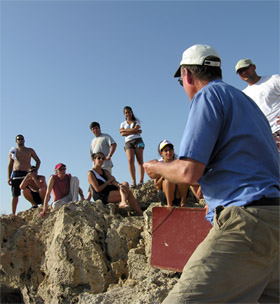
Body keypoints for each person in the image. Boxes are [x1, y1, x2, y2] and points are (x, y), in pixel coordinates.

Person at [144, 44, 279, 303]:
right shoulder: (248, 103)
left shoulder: (207, 97)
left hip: (245, 223)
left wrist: (155, 167)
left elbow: (189, 171)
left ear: (187, 76)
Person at [235, 58, 280, 152]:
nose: (244, 73)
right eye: (240, 72)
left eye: (245, 69)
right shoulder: (243, 95)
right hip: (264, 138)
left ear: (253, 67)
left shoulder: (273, 80)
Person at [154, 139, 202, 207]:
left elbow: (189, 178)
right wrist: (163, 175)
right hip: (165, 194)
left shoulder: (179, 162)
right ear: (161, 153)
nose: (169, 152)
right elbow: (157, 186)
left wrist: (201, 185)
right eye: (166, 150)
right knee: (168, 179)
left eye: (170, 150)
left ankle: (183, 203)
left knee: (182, 178)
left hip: (179, 194)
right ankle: (169, 205)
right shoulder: (159, 165)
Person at [7, 134, 41, 215]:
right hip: (16, 173)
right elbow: (10, 164)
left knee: (31, 190)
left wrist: (35, 171)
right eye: (18, 139)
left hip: (27, 173)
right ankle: (13, 214)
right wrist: (8, 177)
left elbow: (38, 161)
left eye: (22, 139)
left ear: (24, 140)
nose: (20, 140)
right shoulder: (13, 151)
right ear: (16, 141)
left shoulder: (29, 150)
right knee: (15, 195)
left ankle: (35, 204)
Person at [87, 121, 117, 200]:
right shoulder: (92, 141)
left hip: (105, 164)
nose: (95, 130)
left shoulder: (105, 136)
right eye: (93, 129)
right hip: (96, 166)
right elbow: (91, 153)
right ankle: (89, 197)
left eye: (96, 128)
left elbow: (114, 144)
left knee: (108, 181)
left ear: (99, 128)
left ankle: (109, 198)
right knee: (93, 182)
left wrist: (109, 155)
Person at [119, 106, 145, 188]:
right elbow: (122, 134)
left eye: (129, 112)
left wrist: (126, 131)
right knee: (130, 160)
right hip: (128, 142)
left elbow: (133, 130)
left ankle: (141, 181)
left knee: (140, 160)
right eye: (126, 112)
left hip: (138, 140)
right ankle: (133, 180)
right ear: (124, 114)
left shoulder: (136, 121)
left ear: (132, 112)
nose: (127, 114)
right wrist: (134, 131)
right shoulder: (122, 123)